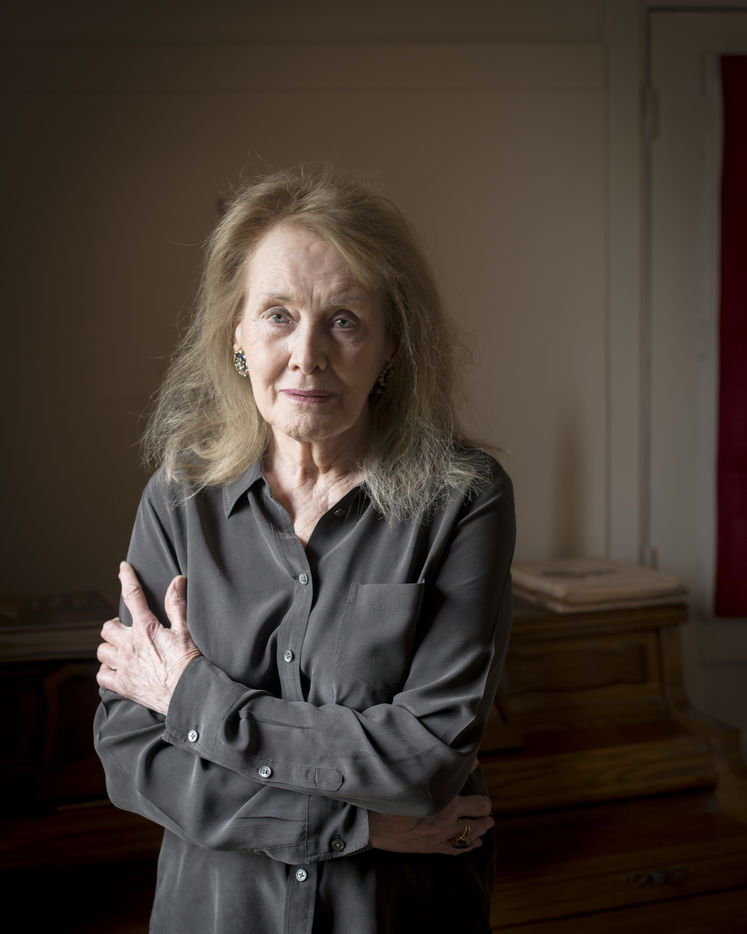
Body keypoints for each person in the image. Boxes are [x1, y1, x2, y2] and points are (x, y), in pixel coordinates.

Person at [94, 166, 515, 934]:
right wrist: (356, 826)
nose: (307, 354)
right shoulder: (179, 495)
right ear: (237, 334)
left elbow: (426, 758)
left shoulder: (464, 499)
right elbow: (129, 751)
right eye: (278, 315)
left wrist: (191, 697)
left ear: (391, 344)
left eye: (344, 320)